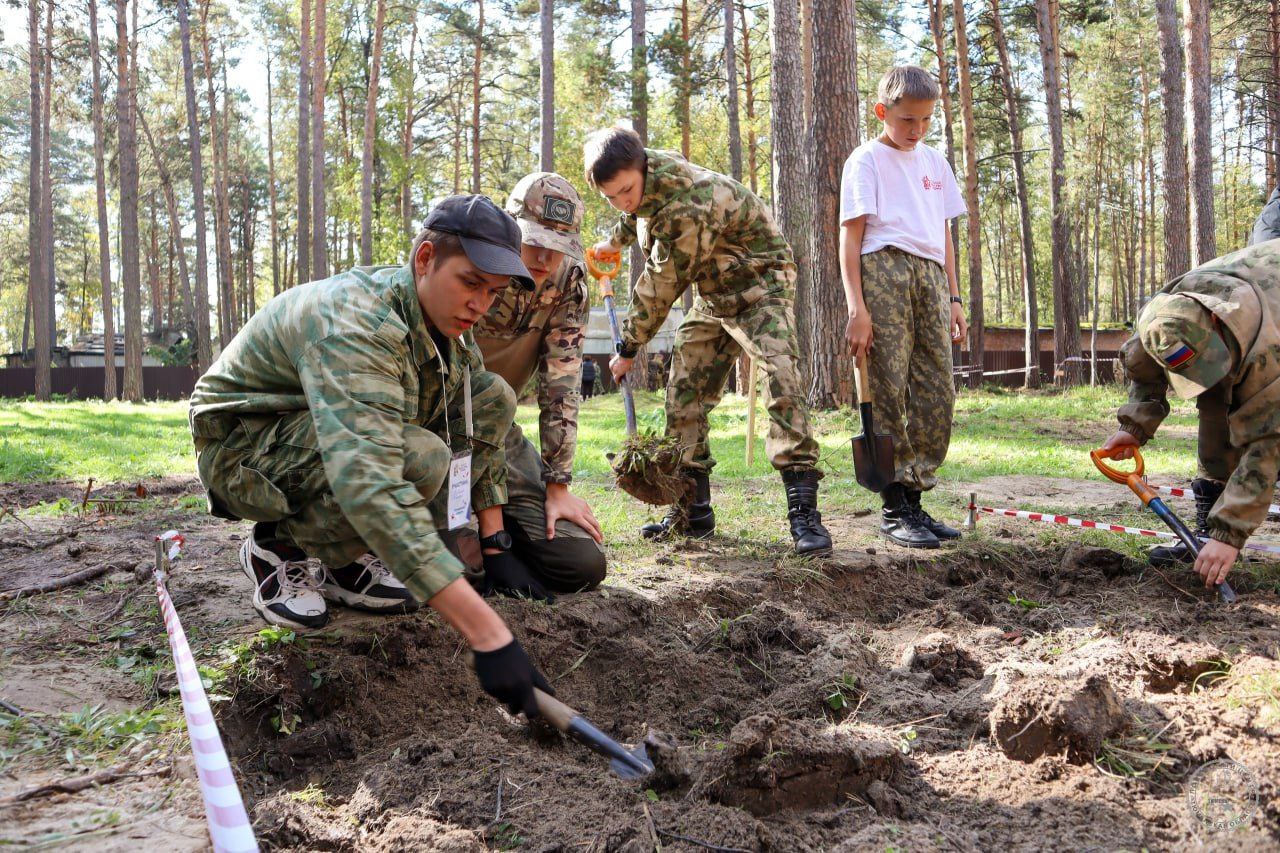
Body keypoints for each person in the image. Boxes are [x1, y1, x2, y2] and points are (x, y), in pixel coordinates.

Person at [189, 195, 554, 718]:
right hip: (243, 447)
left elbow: (478, 417)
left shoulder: (446, 328)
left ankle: (343, 564)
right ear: (424, 259)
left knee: (492, 393)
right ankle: (277, 548)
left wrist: (494, 544)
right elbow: (369, 479)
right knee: (419, 458)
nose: (481, 304)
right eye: (471, 282)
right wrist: (489, 635)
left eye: (493, 293)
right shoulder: (356, 323)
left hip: (311, 433)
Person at [584, 125, 832, 557]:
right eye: (611, 196)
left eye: (626, 190)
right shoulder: (644, 183)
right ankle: (691, 512)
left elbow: (662, 283)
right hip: (715, 294)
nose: (623, 201)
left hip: (760, 286)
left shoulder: (689, 204)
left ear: (641, 167)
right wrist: (614, 240)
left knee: (782, 381)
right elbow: (635, 212)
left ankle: (803, 515)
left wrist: (626, 349)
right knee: (685, 393)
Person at [838, 65, 969, 550]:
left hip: (931, 276)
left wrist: (954, 297)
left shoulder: (934, 161)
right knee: (888, 387)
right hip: (883, 270)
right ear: (882, 112)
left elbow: (944, 234)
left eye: (926, 120)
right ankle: (895, 506)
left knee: (938, 389)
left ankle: (917, 496)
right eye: (907, 120)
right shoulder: (866, 160)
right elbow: (849, 239)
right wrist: (857, 308)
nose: (916, 130)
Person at [1101, 239, 1280, 589]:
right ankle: (1203, 534)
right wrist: (1135, 426)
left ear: (1215, 321)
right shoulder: (1165, 315)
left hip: (1270, 316)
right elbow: (1145, 362)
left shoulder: (1267, 355)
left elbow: (1268, 444)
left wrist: (1229, 534)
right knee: (1215, 396)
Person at [470, 172, 607, 595]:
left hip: (498, 432)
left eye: (558, 248)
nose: (545, 259)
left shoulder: (569, 282)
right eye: (534, 241)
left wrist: (557, 486)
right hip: (437, 428)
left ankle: (496, 523)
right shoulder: (471, 266)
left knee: (580, 562)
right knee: (457, 570)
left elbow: (561, 388)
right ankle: (479, 531)